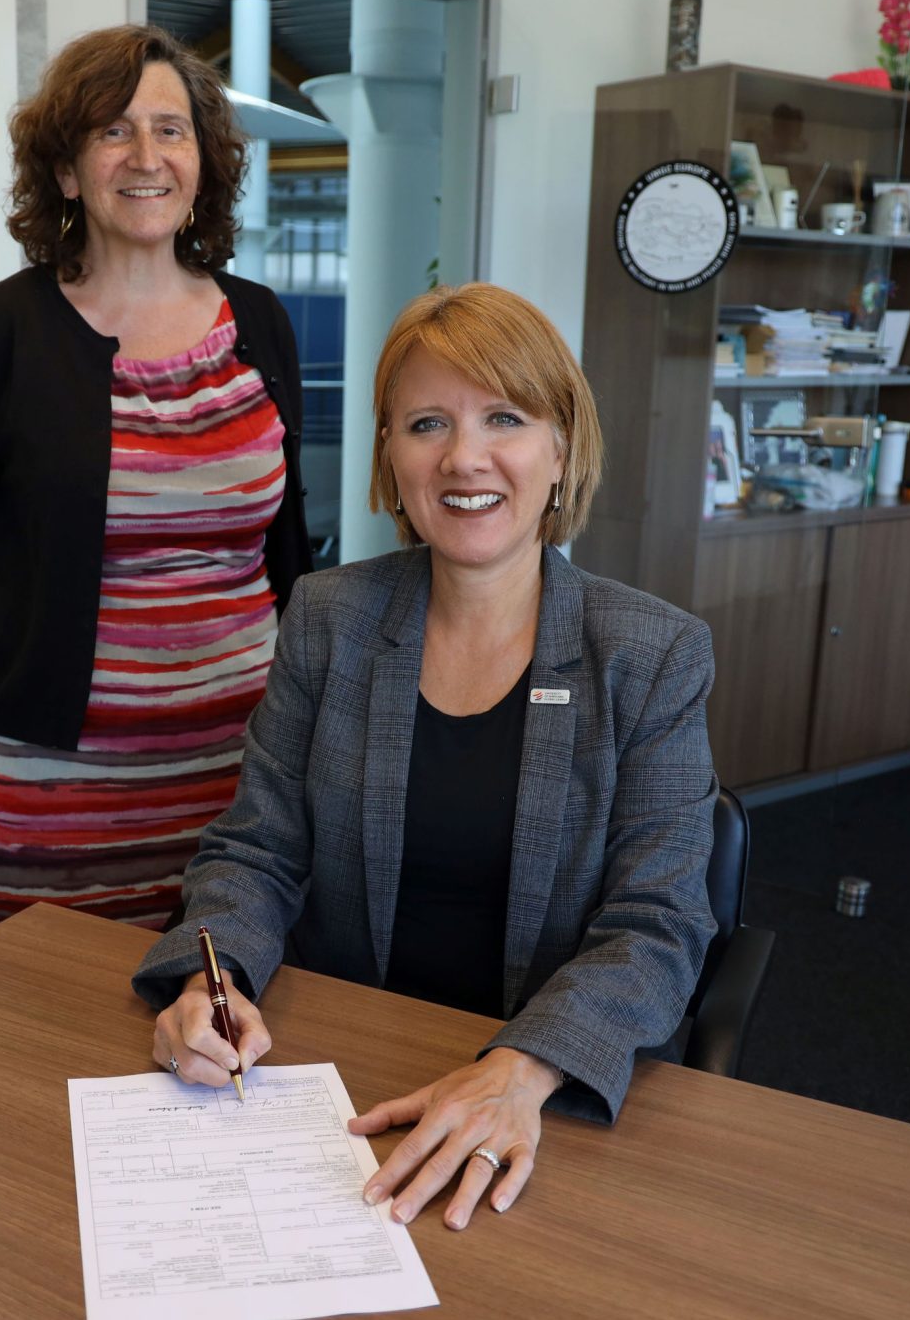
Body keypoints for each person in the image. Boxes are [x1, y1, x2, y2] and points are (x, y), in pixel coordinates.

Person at [132, 283, 717, 1231]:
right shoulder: (329, 617)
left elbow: (658, 924)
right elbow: (257, 850)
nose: (464, 457)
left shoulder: (651, 655)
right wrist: (217, 980)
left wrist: (519, 1070)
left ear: (561, 448)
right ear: (391, 457)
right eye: (426, 423)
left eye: (504, 418)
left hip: (539, 1092)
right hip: (333, 1076)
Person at [0, 26, 311, 942]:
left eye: (172, 129)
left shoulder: (262, 323)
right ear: (69, 172)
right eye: (114, 131)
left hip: (241, 782)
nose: (147, 155)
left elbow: (286, 543)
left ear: (203, 161)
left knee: (217, 1026)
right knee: (37, 1041)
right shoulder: (0, 331)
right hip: (46, 786)